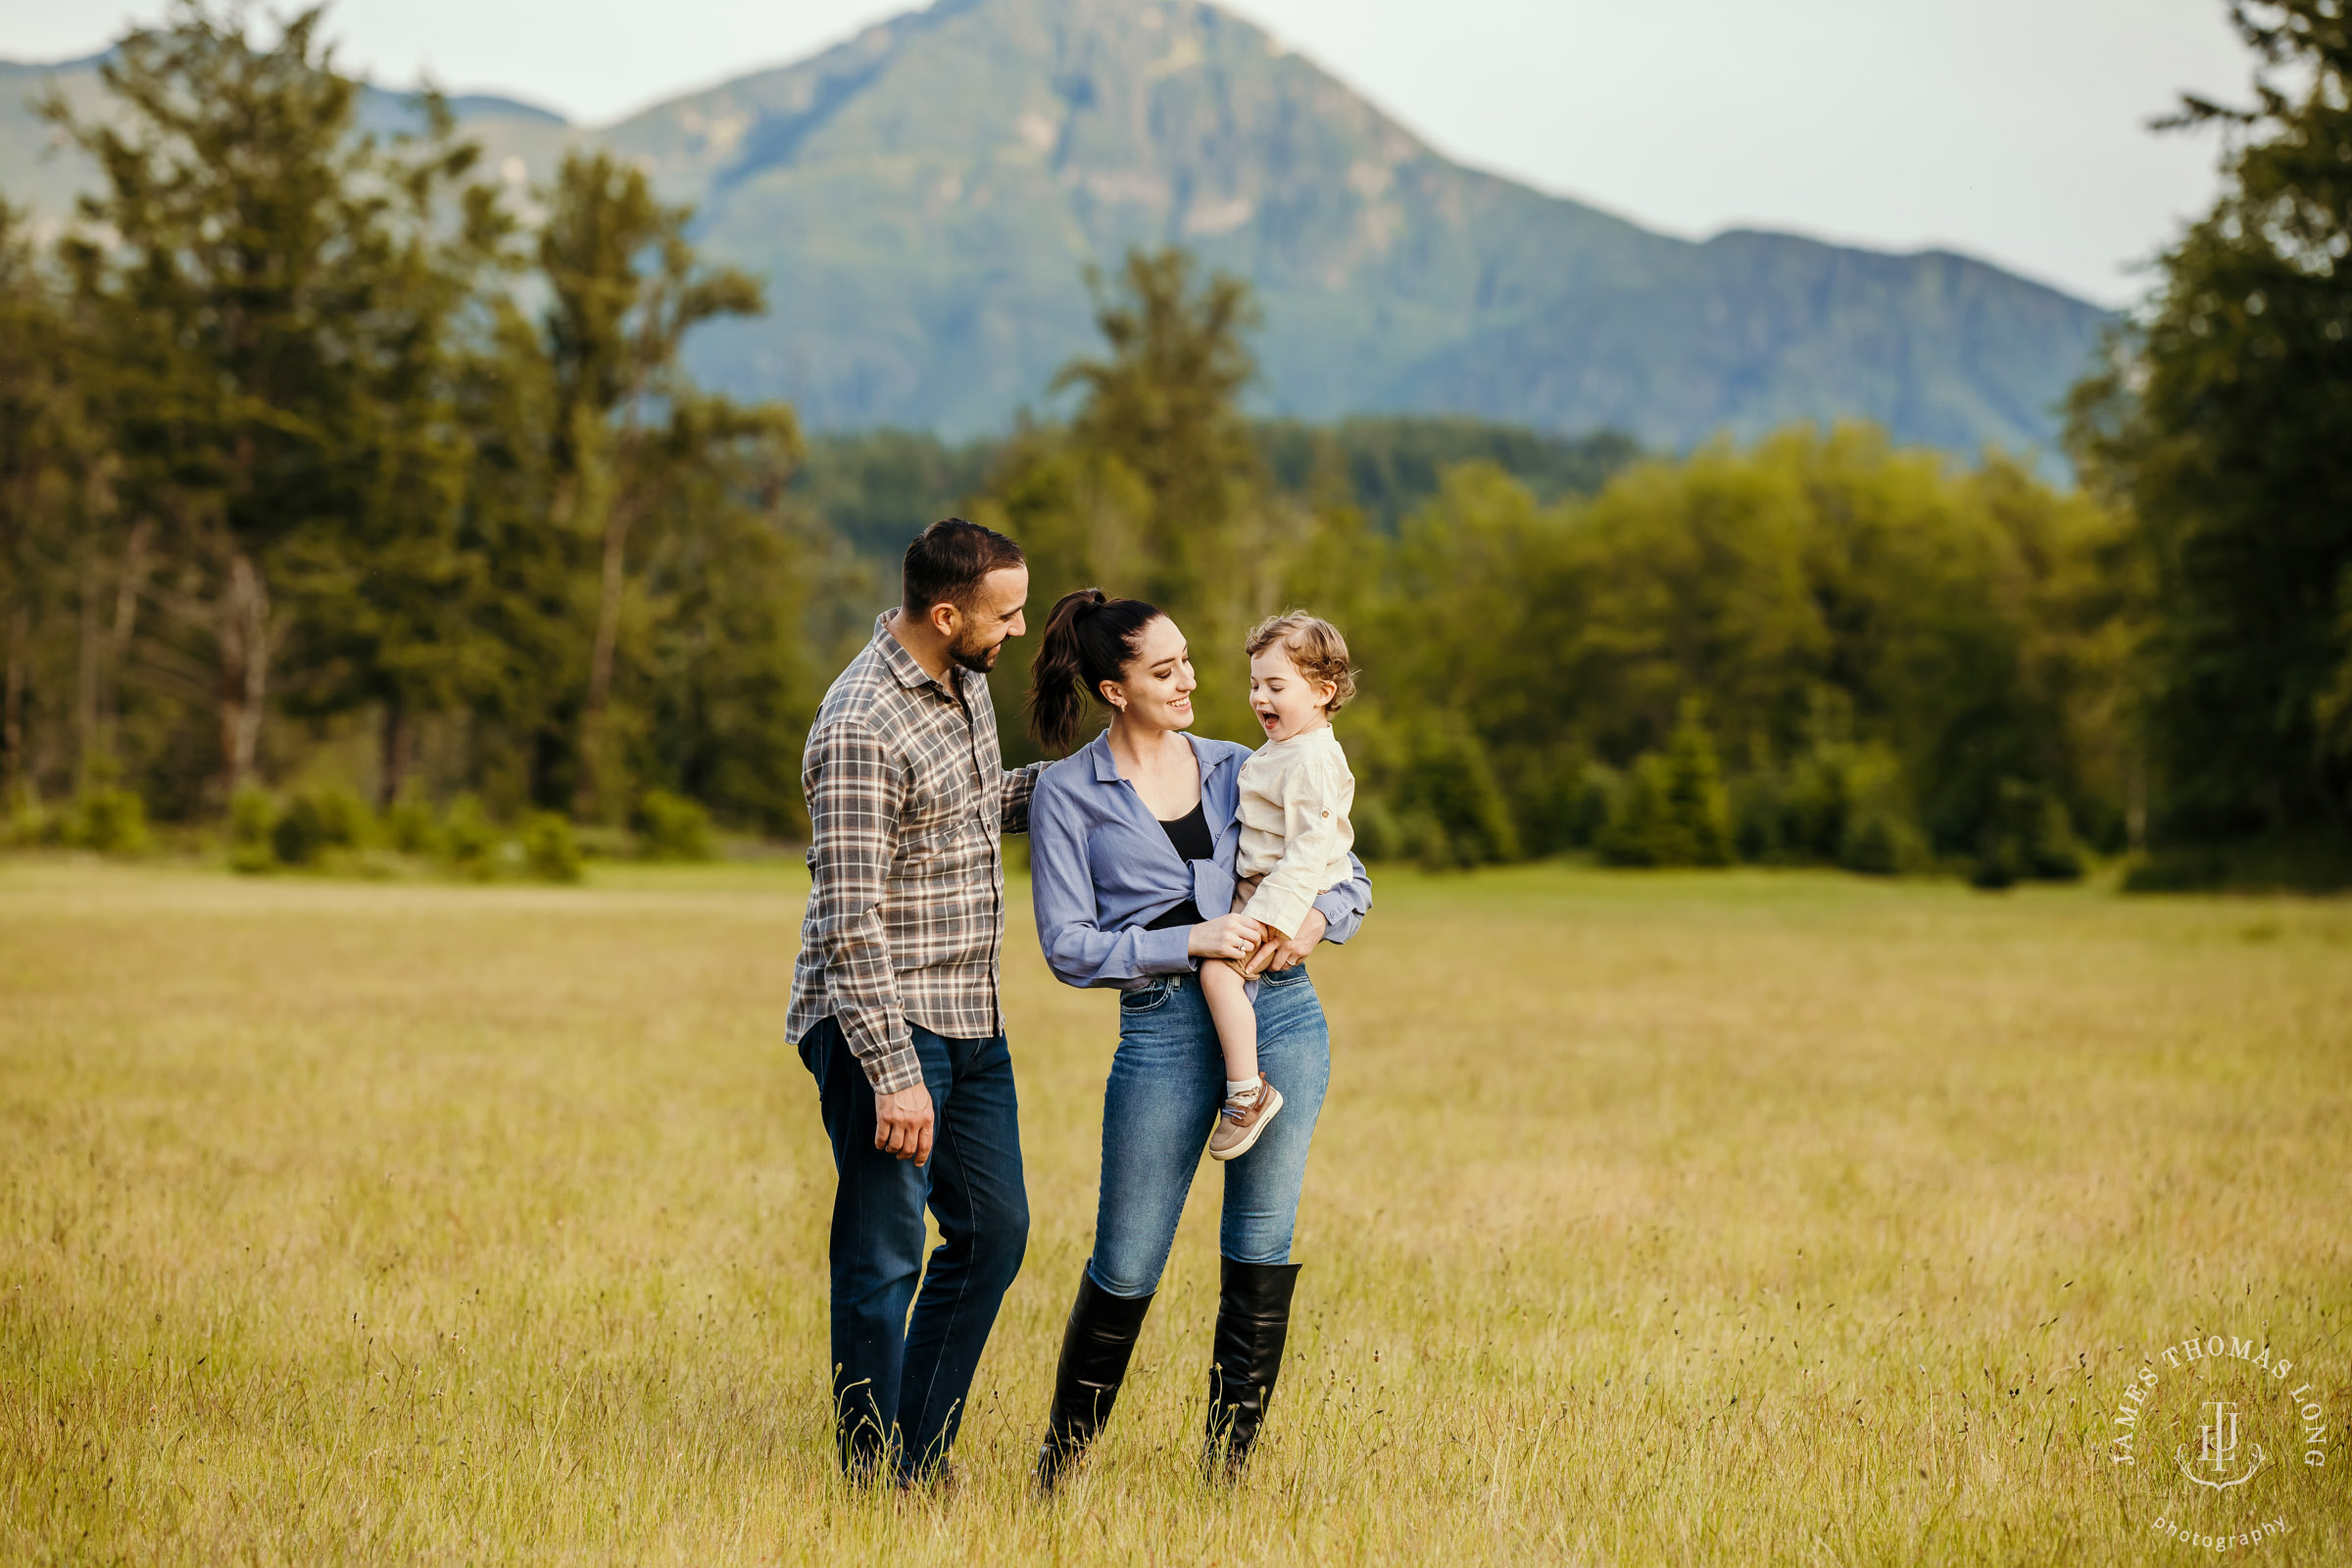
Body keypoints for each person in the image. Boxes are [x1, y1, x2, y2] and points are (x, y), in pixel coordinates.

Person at [1021, 589, 1373, 1492]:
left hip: (1283, 1013)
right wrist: (1191, 939)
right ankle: (1060, 1471)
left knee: (1261, 1244)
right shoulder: (1067, 794)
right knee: (1127, 1258)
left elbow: (1345, 864)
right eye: (1164, 669)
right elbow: (1067, 946)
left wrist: (1318, 920)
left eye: (1187, 661)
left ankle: (1227, 1475)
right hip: (1163, 1034)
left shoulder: (1238, 762)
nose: (1190, 682)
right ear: (1113, 688)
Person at [785, 517, 1042, 1486]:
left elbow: (971, 807)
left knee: (993, 1230)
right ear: (947, 613)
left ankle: (918, 1454)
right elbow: (849, 918)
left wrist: (1100, 783)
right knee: (885, 1250)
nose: (1015, 630)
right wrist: (894, 1076)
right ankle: (869, 1473)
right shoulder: (860, 726)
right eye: (1005, 614)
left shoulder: (961, 681)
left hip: (972, 1016)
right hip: (883, 1024)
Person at [1196, 612, 1360, 1161]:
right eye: (1254, 684)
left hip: (1280, 894)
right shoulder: (1287, 748)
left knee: (1220, 972)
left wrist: (1272, 916)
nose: (1259, 697)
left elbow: (1312, 848)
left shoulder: (1312, 758)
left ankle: (1248, 1092)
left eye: (1275, 686)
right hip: (1263, 888)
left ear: (1323, 692)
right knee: (1224, 977)